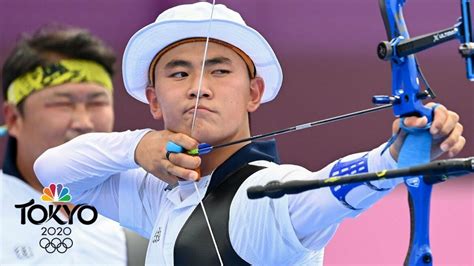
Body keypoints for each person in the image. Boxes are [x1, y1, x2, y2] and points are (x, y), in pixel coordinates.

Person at [34, 3, 465, 265]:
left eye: (219, 70)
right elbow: (52, 179)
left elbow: (320, 193)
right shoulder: (161, 196)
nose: (199, 86)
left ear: (254, 92)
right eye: (178, 72)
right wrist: (137, 145)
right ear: (153, 98)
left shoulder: (263, 196)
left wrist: (390, 160)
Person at [1, 25, 147, 265]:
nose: (83, 122)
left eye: (96, 102)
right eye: (62, 104)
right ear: (13, 118)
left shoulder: (145, 205)